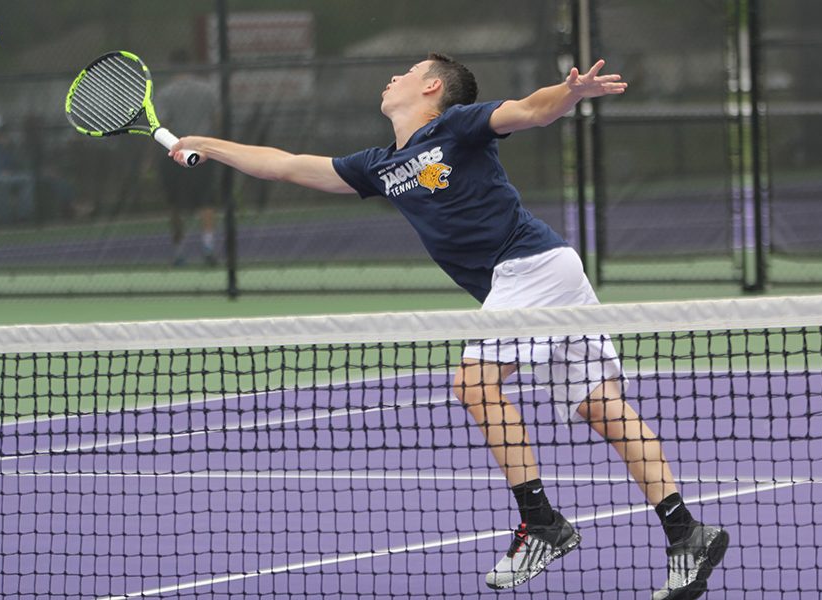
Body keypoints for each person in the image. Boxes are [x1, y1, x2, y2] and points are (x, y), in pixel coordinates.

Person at [169, 53, 728, 599]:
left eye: (407, 73)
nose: (393, 77)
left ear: (434, 88)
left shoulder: (459, 127)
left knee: (473, 382)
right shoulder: (378, 165)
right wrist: (209, 145)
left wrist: (571, 94)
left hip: (528, 266)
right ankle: (687, 533)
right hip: (542, 275)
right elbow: (287, 164)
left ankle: (542, 524)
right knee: (601, 407)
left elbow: (532, 110)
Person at [154, 49, 220, 266]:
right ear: (190, 64)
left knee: (174, 204)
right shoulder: (207, 90)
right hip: (204, 153)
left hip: (176, 153)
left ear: (172, 67)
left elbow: (163, 125)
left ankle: (179, 252)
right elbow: (216, 120)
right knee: (207, 201)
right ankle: (208, 248)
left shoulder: (166, 94)